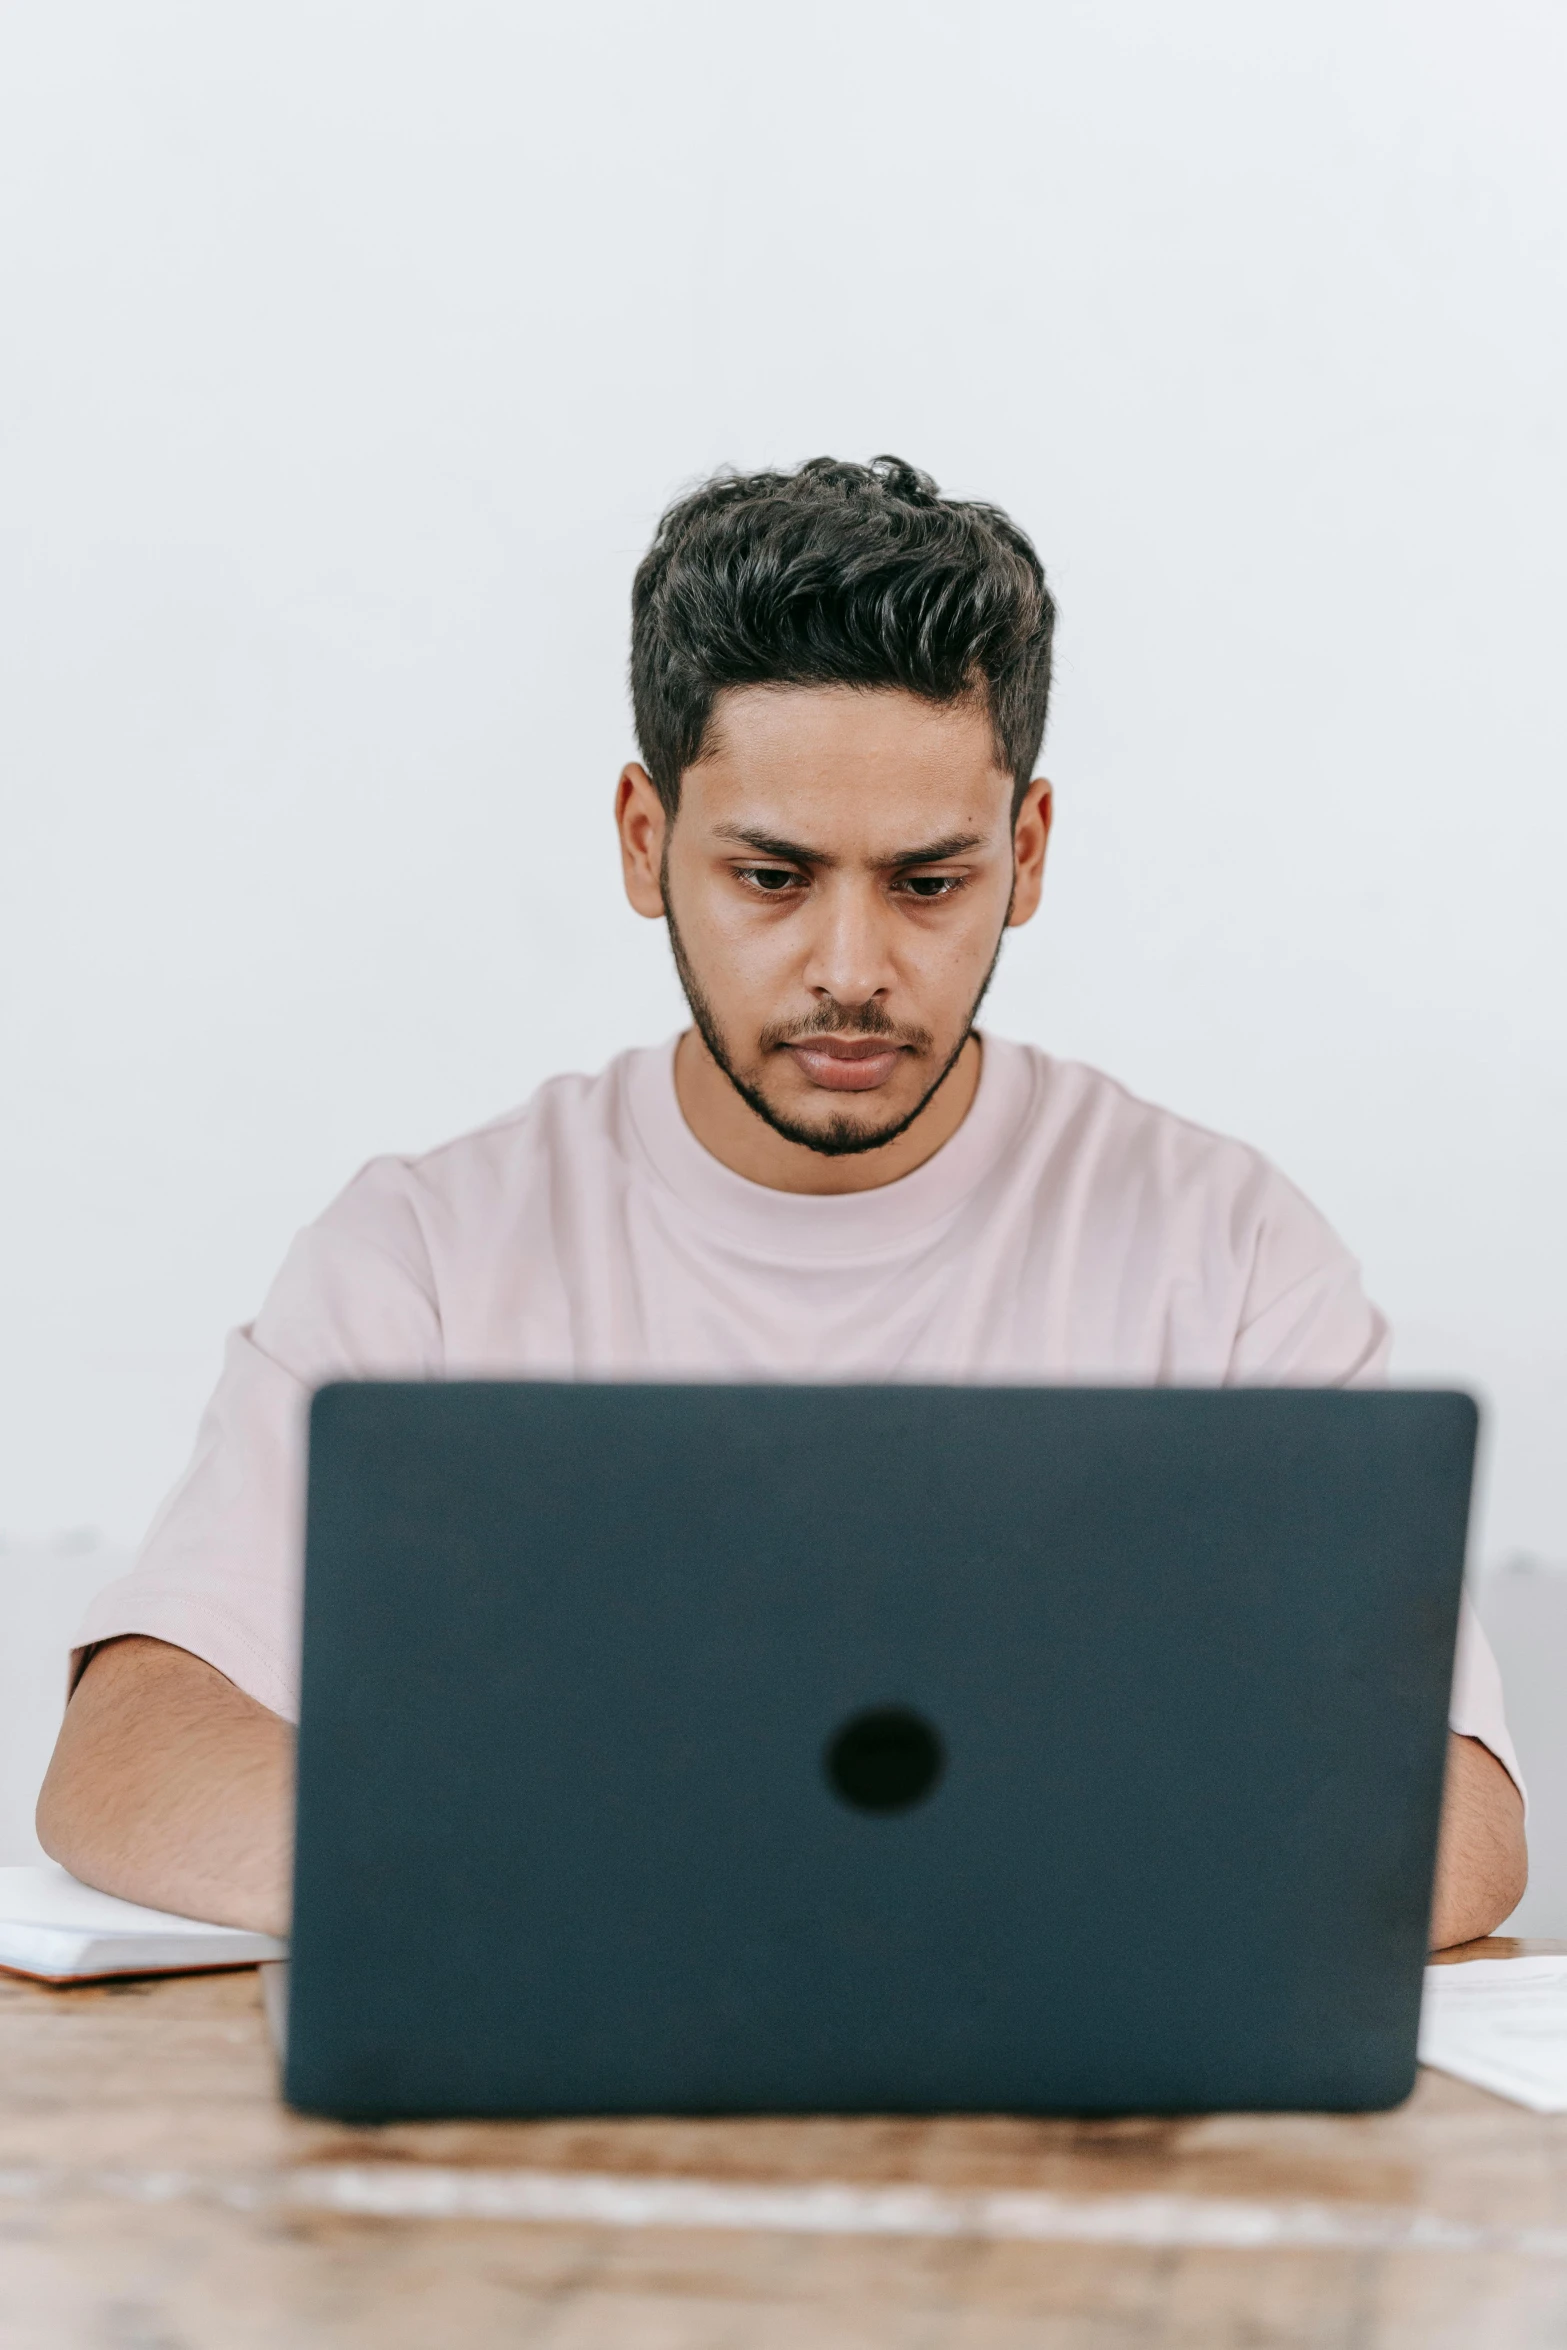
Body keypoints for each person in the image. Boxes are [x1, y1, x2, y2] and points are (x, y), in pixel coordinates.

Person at [38, 456, 1526, 1948]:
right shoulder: (427, 1251)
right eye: (769, 875)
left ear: (1024, 853)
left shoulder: (1227, 1249)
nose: (849, 968)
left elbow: (1453, 1821)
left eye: (928, 882)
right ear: (643, 841)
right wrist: (697, 1892)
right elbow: (130, 1754)